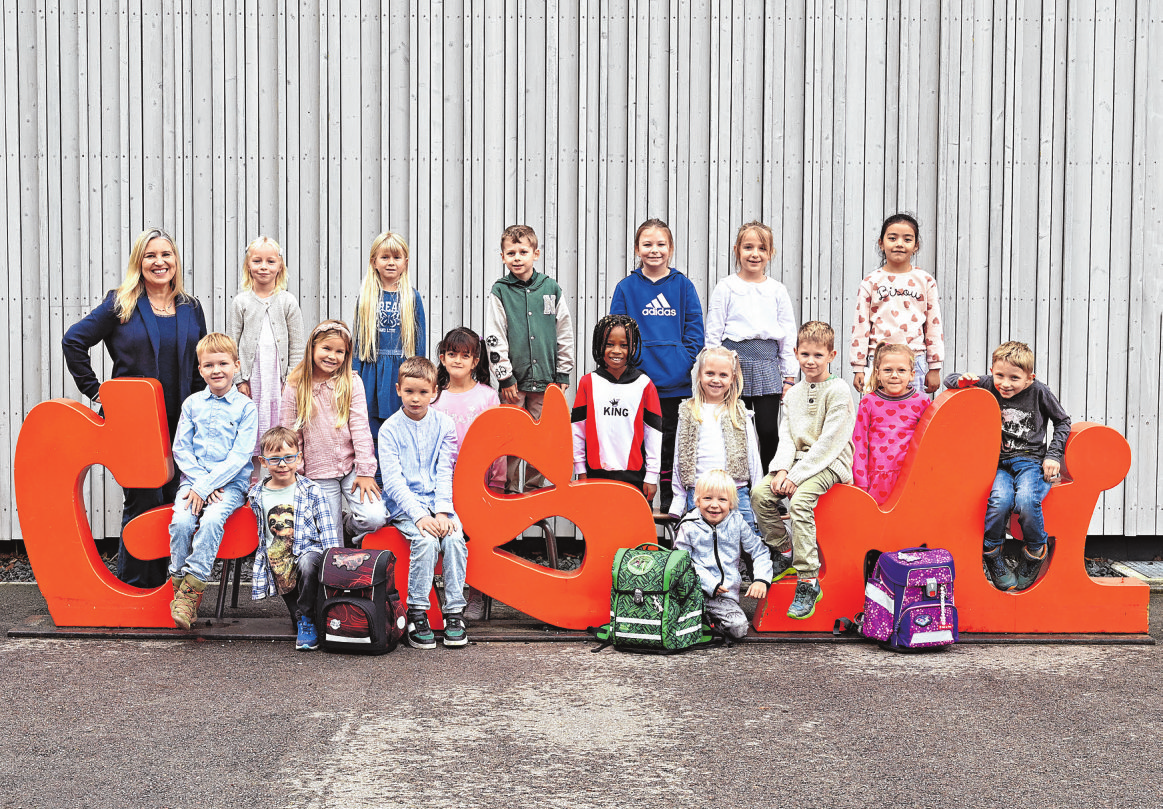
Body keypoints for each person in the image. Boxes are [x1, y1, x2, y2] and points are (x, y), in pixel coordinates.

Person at [62, 227, 208, 588]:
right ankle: (135, 588)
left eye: (166, 255)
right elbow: (74, 341)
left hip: (182, 419)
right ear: (139, 262)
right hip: (135, 422)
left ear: (176, 261)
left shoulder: (190, 307)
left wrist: (204, 411)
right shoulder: (120, 302)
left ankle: (166, 588)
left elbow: (201, 362)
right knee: (142, 502)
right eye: (150, 256)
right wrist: (98, 393)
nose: (159, 262)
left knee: (175, 503)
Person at [945, 341, 1071, 592]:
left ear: (1029, 378)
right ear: (991, 371)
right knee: (999, 501)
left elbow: (1063, 421)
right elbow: (949, 379)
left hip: (1030, 461)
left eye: (1014, 378)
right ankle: (992, 552)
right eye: (999, 375)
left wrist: (1054, 456)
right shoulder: (989, 383)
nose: (1005, 383)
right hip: (997, 463)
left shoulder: (1039, 392)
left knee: (1025, 501)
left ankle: (1035, 550)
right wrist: (962, 379)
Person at [751, 321, 855, 620]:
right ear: (796, 353)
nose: (811, 361)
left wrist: (796, 477)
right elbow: (786, 436)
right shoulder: (793, 393)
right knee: (760, 494)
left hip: (830, 463)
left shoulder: (838, 390)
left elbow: (829, 443)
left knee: (799, 502)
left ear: (831, 355)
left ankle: (808, 580)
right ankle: (785, 553)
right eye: (805, 354)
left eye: (818, 355)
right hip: (796, 462)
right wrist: (782, 470)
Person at [610, 218, 704, 512]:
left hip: (674, 388)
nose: (654, 250)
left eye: (661, 244)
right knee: (637, 451)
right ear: (637, 249)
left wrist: (681, 361)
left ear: (671, 248)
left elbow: (695, 332)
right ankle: (635, 515)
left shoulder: (683, 286)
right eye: (647, 244)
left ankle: (669, 517)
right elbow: (616, 333)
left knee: (670, 453)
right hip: (636, 386)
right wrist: (631, 368)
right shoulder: (626, 288)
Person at [167, 333, 258, 629]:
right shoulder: (193, 404)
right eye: (209, 365)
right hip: (193, 483)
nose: (216, 370)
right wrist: (199, 484)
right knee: (181, 521)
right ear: (200, 370)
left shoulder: (246, 408)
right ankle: (180, 587)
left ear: (236, 366)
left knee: (211, 520)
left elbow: (240, 456)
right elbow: (181, 447)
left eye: (223, 363)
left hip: (230, 486)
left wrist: (209, 486)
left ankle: (190, 592)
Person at [378, 356, 469, 649]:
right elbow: (393, 482)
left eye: (422, 392)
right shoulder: (389, 429)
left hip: (439, 503)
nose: (416, 399)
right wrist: (419, 516)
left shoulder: (444, 425)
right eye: (409, 391)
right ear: (398, 390)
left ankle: (454, 612)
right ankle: (418, 611)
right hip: (406, 507)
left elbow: (445, 470)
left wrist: (442, 511)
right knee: (427, 541)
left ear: (434, 392)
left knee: (455, 539)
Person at [280, 320, 386, 545]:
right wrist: (296, 474)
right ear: (312, 348)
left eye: (340, 351)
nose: (332, 356)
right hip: (318, 473)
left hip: (351, 470)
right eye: (326, 349)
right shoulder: (295, 385)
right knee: (331, 542)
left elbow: (360, 429)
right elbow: (290, 435)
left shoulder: (351, 382)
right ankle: (337, 570)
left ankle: (350, 526)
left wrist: (366, 471)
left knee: (375, 518)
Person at [485, 224, 574, 492]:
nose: (517, 257)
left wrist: (563, 372)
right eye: (510, 252)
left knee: (540, 437)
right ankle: (509, 489)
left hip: (547, 381)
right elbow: (494, 336)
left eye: (523, 251)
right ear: (502, 257)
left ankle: (534, 489)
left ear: (535, 253)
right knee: (512, 437)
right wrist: (504, 377)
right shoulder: (500, 291)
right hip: (514, 383)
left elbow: (564, 331)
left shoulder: (551, 289)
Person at [704, 221, 798, 471]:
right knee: (735, 428)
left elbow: (788, 335)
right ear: (737, 250)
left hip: (767, 364)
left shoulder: (776, 290)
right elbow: (714, 329)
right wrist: (713, 366)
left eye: (761, 248)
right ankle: (737, 487)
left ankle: (769, 490)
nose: (754, 254)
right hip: (733, 364)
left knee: (768, 430)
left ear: (770, 253)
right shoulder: (726, 287)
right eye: (748, 247)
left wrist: (789, 376)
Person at [430, 326, 505, 621]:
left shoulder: (487, 397)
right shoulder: (435, 397)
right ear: (442, 357)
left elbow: (498, 443)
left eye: (465, 355)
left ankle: (476, 593)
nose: (458, 361)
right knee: (448, 537)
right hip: (443, 484)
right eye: (452, 354)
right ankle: (450, 592)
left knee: (478, 539)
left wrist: (497, 481)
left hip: (480, 484)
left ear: (476, 361)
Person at [248, 426, 342, 651]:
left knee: (308, 562)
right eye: (275, 459)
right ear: (263, 461)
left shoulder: (312, 490)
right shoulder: (256, 494)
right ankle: (303, 617)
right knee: (277, 561)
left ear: (299, 458)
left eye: (289, 458)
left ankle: (307, 618)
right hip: (278, 558)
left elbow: (327, 528)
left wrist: (335, 563)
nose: (282, 464)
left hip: (308, 552)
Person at [228, 236, 305, 468]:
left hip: (278, 378)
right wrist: (239, 379)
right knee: (252, 422)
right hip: (253, 377)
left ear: (280, 266)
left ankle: (277, 475)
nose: (264, 267)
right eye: (257, 261)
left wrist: (290, 379)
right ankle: (251, 479)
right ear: (248, 266)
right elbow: (232, 344)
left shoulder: (287, 301)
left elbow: (298, 346)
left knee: (277, 423)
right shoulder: (241, 302)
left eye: (270, 261)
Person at [352, 231, 427, 469]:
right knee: (370, 427)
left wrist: (418, 375)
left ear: (406, 262)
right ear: (374, 261)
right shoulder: (366, 298)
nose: (391, 262)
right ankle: (375, 479)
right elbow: (358, 343)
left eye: (397, 257)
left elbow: (419, 341)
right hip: (372, 373)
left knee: (400, 427)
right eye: (385, 257)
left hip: (400, 372)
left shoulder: (412, 297)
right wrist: (354, 375)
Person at [849, 213, 945, 395]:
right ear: (881, 243)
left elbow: (933, 325)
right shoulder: (871, 282)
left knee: (915, 416)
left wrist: (935, 367)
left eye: (907, 239)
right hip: (879, 361)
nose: (899, 243)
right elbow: (861, 326)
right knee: (878, 415)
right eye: (892, 238)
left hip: (914, 359)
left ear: (915, 245)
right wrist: (859, 367)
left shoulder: (925, 281)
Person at [668, 347, 763, 532]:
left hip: (735, 491)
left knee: (746, 540)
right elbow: (679, 456)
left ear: (732, 378)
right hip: (698, 491)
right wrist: (678, 498)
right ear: (699, 375)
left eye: (723, 375)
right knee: (700, 540)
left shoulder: (739, 412)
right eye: (710, 373)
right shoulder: (689, 411)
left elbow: (753, 455)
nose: (716, 380)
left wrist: (757, 495)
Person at [674, 469, 775, 640]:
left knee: (739, 629)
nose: (714, 505)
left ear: (731, 504)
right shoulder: (689, 525)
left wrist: (761, 579)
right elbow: (682, 561)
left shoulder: (737, 522)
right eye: (707, 498)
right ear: (697, 501)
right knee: (670, 623)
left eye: (722, 499)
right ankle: (702, 621)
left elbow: (760, 551)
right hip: (693, 591)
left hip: (723, 596)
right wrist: (709, 582)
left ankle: (706, 622)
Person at [571, 315, 662, 502]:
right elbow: (577, 431)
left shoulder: (645, 385)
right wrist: (580, 469)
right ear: (599, 345)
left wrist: (652, 476)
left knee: (631, 530)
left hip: (634, 477)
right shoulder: (588, 383)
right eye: (610, 344)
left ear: (634, 347)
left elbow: (654, 434)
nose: (616, 351)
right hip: (595, 474)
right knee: (598, 529)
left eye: (624, 345)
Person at [851, 343, 931, 504]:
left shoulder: (922, 401)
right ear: (877, 373)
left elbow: (929, 442)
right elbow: (859, 442)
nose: (894, 375)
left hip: (911, 478)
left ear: (912, 374)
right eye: (888, 370)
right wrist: (860, 482)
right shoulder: (869, 402)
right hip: (877, 480)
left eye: (901, 370)